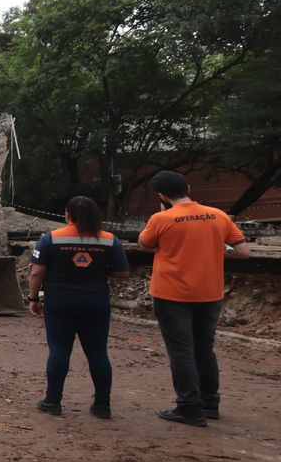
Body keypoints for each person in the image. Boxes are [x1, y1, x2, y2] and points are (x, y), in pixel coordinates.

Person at [138, 170, 251, 427]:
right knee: (204, 349)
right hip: (210, 293)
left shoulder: (161, 218)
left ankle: (189, 407)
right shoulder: (218, 215)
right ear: (188, 187)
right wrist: (216, 249)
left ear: (161, 195)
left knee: (181, 352)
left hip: (171, 294)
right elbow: (243, 251)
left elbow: (144, 244)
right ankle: (210, 403)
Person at [27, 196, 131, 418]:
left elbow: (37, 272)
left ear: (68, 215)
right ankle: (102, 405)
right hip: (95, 302)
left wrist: (33, 299)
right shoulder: (109, 240)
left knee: (59, 350)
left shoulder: (50, 238)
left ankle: (52, 401)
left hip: (59, 303)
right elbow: (122, 273)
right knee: (97, 352)